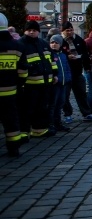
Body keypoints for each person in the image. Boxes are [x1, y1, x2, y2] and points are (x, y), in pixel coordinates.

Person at [20, 21, 56, 137]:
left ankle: (39, 130)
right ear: (25, 31)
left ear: (38, 32)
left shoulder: (43, 43)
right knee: (27, 109)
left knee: (42, 108)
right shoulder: (20, 44)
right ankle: (24, 132)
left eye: (34, 30)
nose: (31, 32)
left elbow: (52, 60)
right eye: (29, 30)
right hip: (29, 84)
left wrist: (55, 74)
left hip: (45, 83)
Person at [0, 13, 28, 157]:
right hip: (10, 92)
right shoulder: (16, 46)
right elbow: (23, 71)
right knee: (11, 120)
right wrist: (19, 84)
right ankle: (14, 148)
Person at [60, 21, 92, 122]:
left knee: (81, 93)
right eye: (67, 31)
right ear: (63, 31)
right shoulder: (60, 40)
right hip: (66, 72)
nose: (70, 32)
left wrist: (87, 66)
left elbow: (85, 53)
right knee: (65, 95)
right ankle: (67, 114)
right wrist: (67, 57)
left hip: (77, 71)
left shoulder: (78, 39)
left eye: (71, 30)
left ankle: (86, 113)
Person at [48, 34, 71, 133]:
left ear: (60, 44)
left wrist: (68, 78)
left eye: (56, 43)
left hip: (63, 83)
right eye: (52, 42)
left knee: (60, 103)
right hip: (55, 84)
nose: (54, 44)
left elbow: (67, 68)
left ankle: (58, 123)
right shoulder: (50, 55)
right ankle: (51, 124)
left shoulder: (63, 55)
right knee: (52, 104)